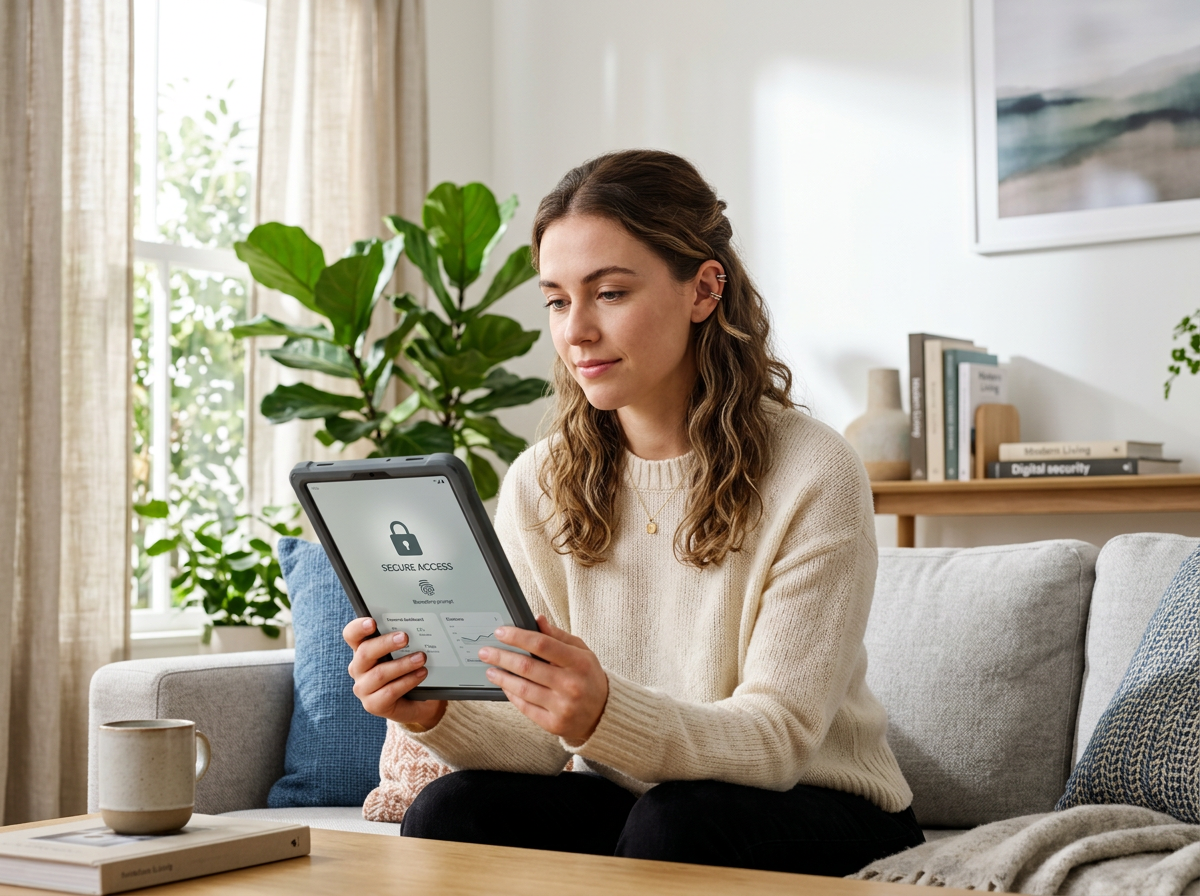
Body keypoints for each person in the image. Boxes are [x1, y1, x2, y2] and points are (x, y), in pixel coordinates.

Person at [343, 149, 922, 876]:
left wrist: (602, 712)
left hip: (819, 802)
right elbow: (538, 744)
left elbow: (778, 740)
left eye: (609, 293)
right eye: (557, 300)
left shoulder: (813, 468)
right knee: (451, 809)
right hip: (643, 800)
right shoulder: (541, 480)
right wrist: (432, 714)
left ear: (704, 289)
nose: (575, 330)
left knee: (676, 821)